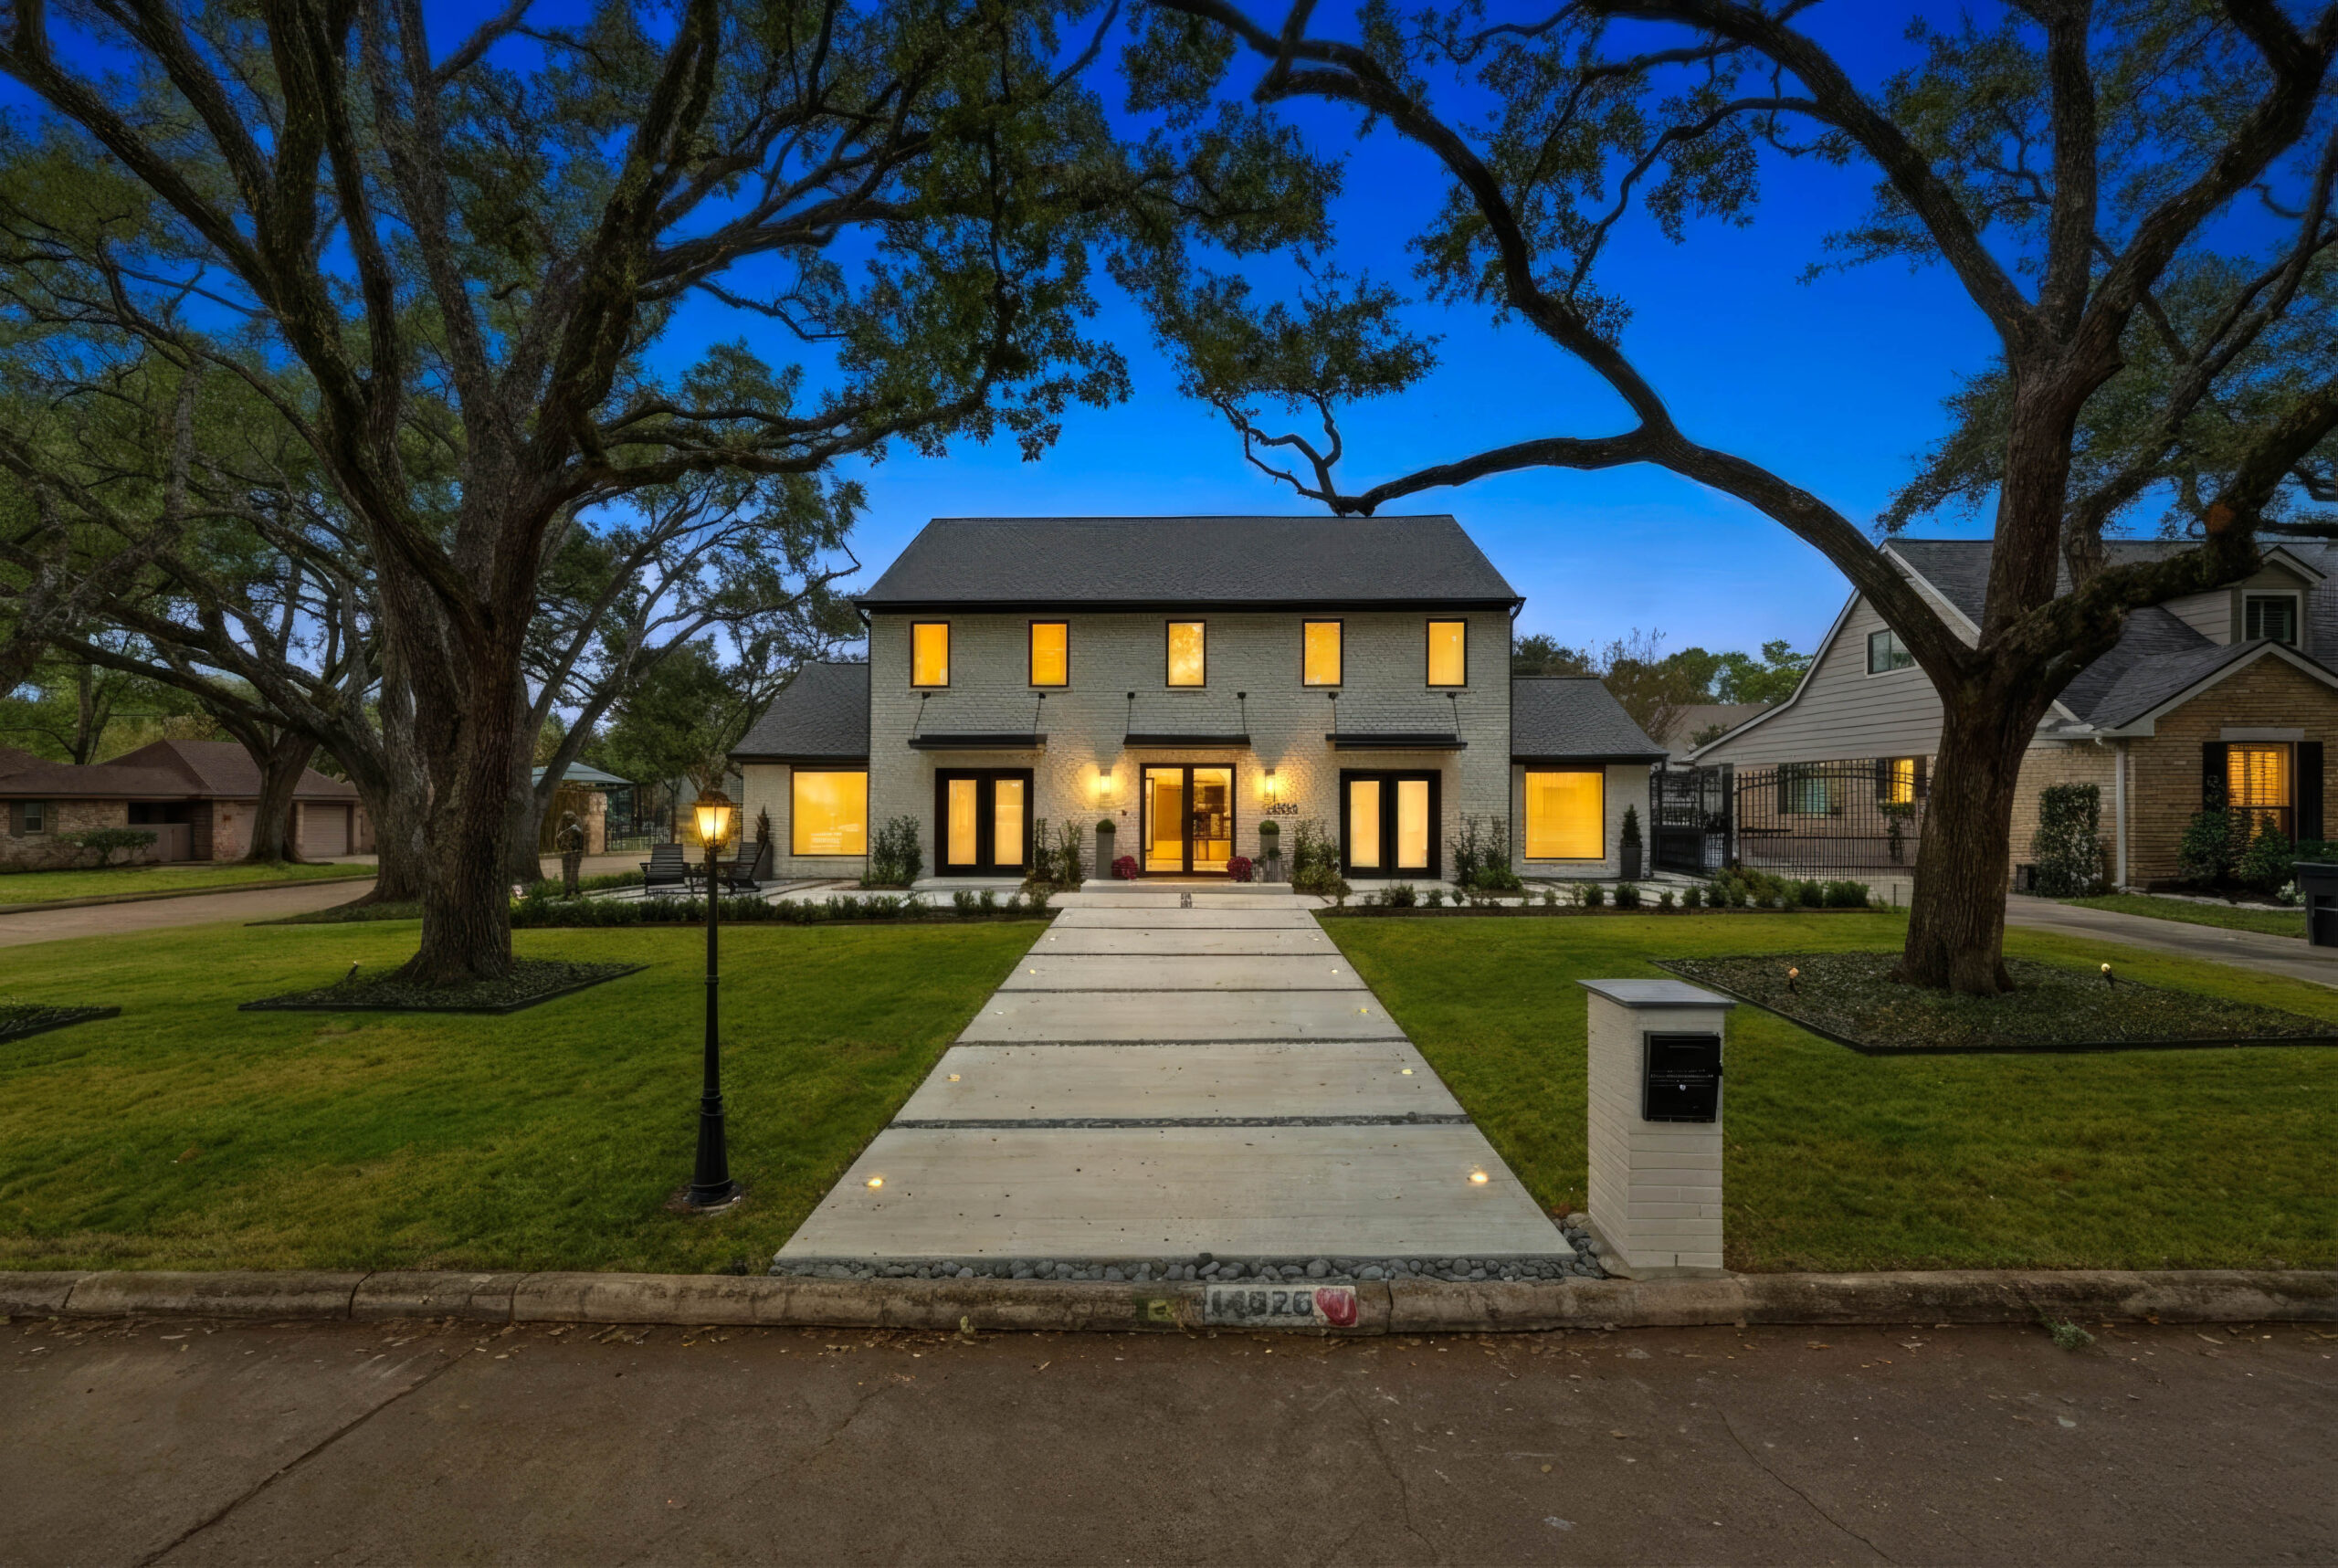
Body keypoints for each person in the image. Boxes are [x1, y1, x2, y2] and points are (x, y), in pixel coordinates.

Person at [554, 810, 586, 898]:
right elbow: (558, 838)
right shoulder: (562, 824)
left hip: (575, 852)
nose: (570, 821)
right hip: (568, 852)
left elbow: (581, 838)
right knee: (567, 871)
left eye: (571, 820)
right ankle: (568, 891)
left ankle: (574, 889)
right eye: (568, 820)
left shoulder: (576, 823)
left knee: (574, 871)